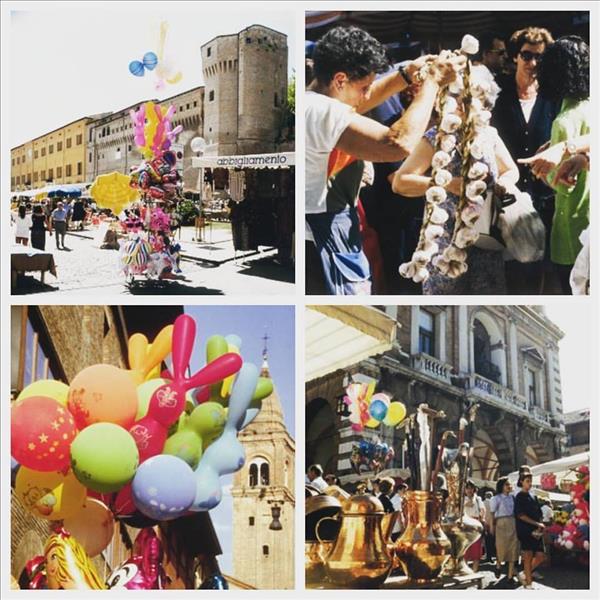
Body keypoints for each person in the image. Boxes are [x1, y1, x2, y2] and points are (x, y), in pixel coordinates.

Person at [305, 25, 465, 295]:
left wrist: (405, 75)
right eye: (365, 86)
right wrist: (432, 83)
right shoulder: (324, 110)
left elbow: (357, 104)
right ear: (340, 80)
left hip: (332, 225)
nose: (369, 95)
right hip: (325, 232)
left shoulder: (318, 101)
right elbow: (398, 143)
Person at [393, 65, 520, 294]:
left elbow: (511, 170)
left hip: (487, 243)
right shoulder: (436, 138)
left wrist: (505, 183)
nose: (463, 107)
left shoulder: (489, 135)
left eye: (470, 101)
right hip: (443, 244)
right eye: (458, 100)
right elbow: (401, 182)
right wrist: (446, 184)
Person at [491, 26, 559, 294]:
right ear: (516, 57)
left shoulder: (552, 98)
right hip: (508, 197)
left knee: (542, 267)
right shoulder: (498, 95)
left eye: (539, 57)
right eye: (527, 55)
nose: (533, 63)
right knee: (511, 269)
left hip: (546, 196)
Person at [534, 36, 590, 295]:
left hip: (571, 230)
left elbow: (562, 185)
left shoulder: (564, 121)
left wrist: (542, 169)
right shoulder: (591, 108)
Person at [514, 473, 546, 589]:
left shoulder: (534, 497)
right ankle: (528, 584)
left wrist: (540, 524)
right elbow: (520, 515)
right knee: (528, 556)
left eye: (531, 481)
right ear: (521, 481)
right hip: (525, 530)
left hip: (536, 531)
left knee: (540, 556)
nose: (530, 483)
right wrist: (536, 523)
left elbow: (539, 514)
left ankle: (524, 574)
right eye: (527, 480)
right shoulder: (519, 497)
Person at [490, 477, 520, 581]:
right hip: (501, 523)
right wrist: (491, 527)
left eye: (510, 484)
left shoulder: (513, 498)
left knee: (513, 548)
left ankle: (510, 576)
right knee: (501, 547)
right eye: (507, 484)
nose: (509, 486)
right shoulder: (496, 498)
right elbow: (492, 514)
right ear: (501, 486)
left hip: (512, 522)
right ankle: (498, 565)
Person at [463, 480, 486, 572]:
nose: (469, 490)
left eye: (471, 488)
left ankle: (474, 571)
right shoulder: (462, 499)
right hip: (465, 524)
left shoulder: (478, 499)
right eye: (467, 488)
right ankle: (465, 571)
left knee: (476, 550)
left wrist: (481, 517)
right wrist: (465, 504)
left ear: (474, 489)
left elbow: (482, 510)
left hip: (476, 525)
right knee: (465, 550)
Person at [483, 490, 496, 565]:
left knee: (486, 541)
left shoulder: (483, 503)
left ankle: (487, 555)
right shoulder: (493, 504)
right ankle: (490, 557)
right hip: (492, 525)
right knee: (492, 542)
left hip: (485, 524)